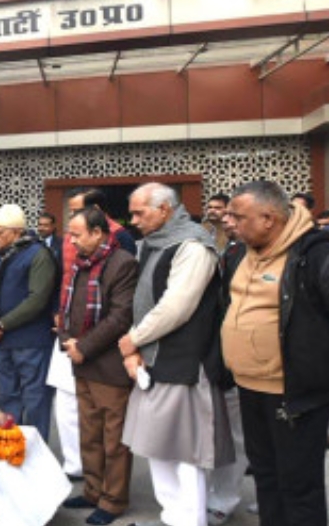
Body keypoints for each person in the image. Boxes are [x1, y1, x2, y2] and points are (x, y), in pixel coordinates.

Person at [119, 183, 233, 526]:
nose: (133, 220)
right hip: (154, 361)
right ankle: (173, 517)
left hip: (185, 363)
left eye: (139, 212)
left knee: (186, 452)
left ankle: (190, 519)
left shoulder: (193, 246)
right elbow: (143, 301)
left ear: (165, 209)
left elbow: (176, 307)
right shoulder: (154, 244)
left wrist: (134, 339)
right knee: (157, 447)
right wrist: (135, 346)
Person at [222, 180, 329, 526]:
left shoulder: (313, 254)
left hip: (293, 393)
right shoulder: (241, 252)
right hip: (248, 386)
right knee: (265, 477)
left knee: (298, 485)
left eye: (239, 217)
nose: (230, 223)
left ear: (269, 218)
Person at [58, 207, 138, 526]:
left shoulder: (123, 263)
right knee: (89, 434)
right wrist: (66, 339)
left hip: (108, 365)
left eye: (77, 234)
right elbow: (66, 309)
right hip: (82, 362)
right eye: (70, 234)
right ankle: (93, 490)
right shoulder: (81, 263)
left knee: (113, 439)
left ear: (97, 233)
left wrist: (84, 347)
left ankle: (113, 500)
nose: (71, 241)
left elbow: (120, 317)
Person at [0, 204, 56, 441]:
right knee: (6, 397)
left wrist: (2, 324)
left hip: (30, 341)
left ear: (16, 232)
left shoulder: (38, 254)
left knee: (35, 400)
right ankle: (9, 446)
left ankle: (36, 450)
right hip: (1, 340)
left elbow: (37, 299)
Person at [204, 205, 249, 526]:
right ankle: (211, 495)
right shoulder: (228, 249)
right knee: (218, 434)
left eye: (235, 216)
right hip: (217, 353)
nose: (227, 221)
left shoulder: (254, 254)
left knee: (235, 436)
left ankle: (225, 499)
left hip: (243, 358)